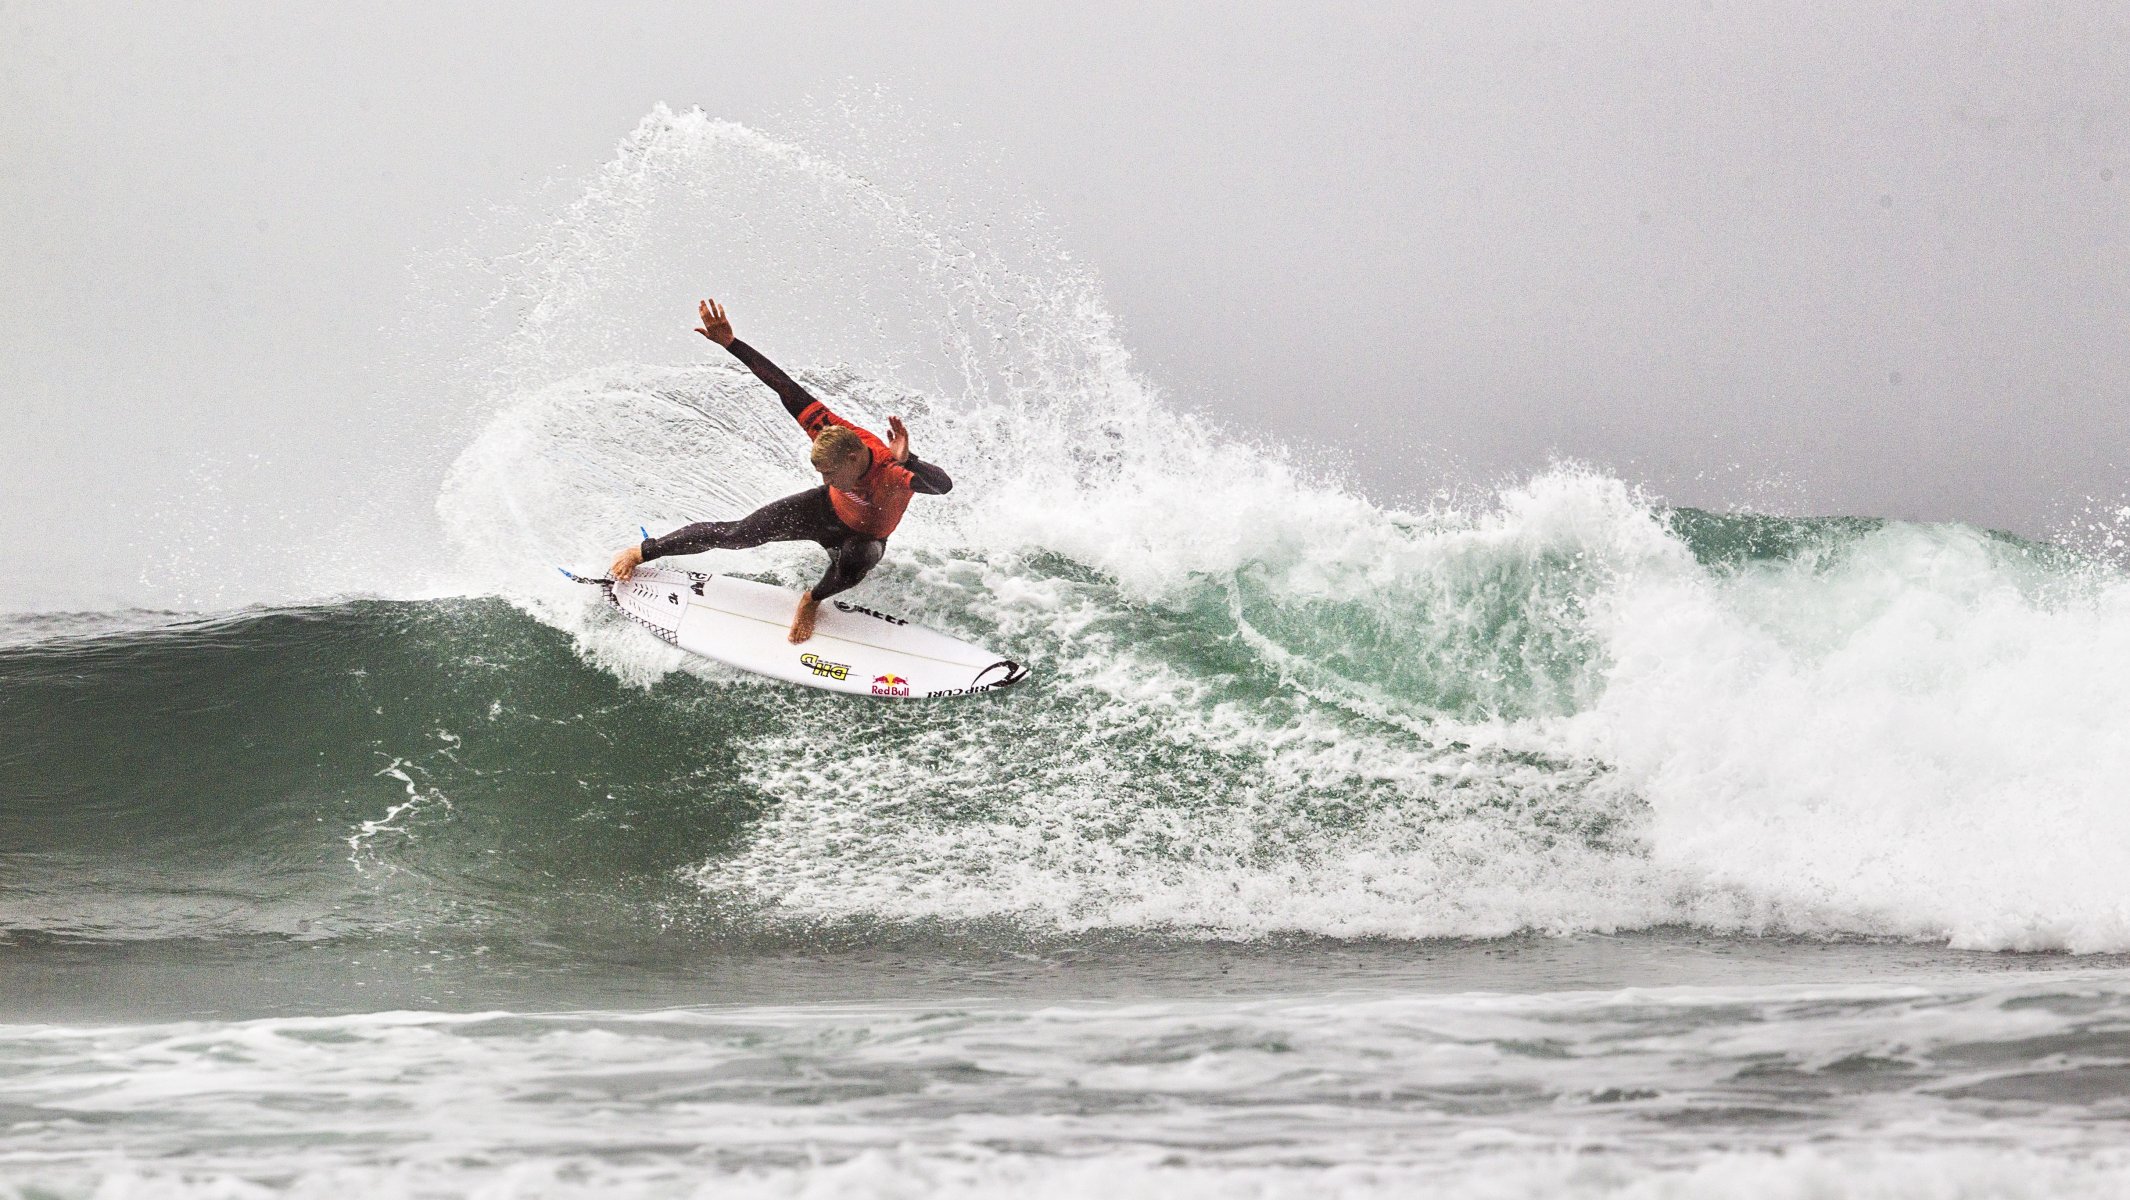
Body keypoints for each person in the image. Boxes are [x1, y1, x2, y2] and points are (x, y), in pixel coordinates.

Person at [608, 299, 953, 643]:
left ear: (852, 459)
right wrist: (731, 344)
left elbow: (944, 486)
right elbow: (784, 386)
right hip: (820, 511)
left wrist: (911, 461)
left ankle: (812, 600)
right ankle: (643, 551)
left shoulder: (893, 471)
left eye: (830, 473)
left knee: (856, 559)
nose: (826, 480)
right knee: (738, 534)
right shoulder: (829, 431)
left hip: (865, 536)